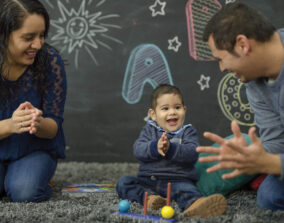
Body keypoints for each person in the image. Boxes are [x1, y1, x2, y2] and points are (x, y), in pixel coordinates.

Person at [197, 2, 284, 211]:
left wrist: (271, 164)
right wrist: (249, 156)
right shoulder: (253, 82)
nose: (222, 68)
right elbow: (277, 142)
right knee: (269, 196)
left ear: (242, 44)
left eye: (221, 59)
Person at [0, 0, 67, 202]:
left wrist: (37, 124)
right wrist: (11, 125)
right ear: (0, 33)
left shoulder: (50, 61)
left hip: (34, 149)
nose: (38, 45)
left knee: (25, 192)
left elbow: (53, 126)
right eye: (28, 38)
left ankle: (27, 178)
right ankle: (3, 180)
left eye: (42, 36)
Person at [116, 84, 227, 218]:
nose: (172, 112)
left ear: (184, 110)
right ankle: (151, 200)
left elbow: (192, 153)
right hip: (148, 181)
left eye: (177, 107)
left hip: (177, 181)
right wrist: (154, 147)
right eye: (165, 108)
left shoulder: (188, 132)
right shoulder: (149, 130)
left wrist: (171, 148)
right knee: (124, 183)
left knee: (187, 191)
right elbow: (138, 149)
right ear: (153, 114)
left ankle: (196, 204)